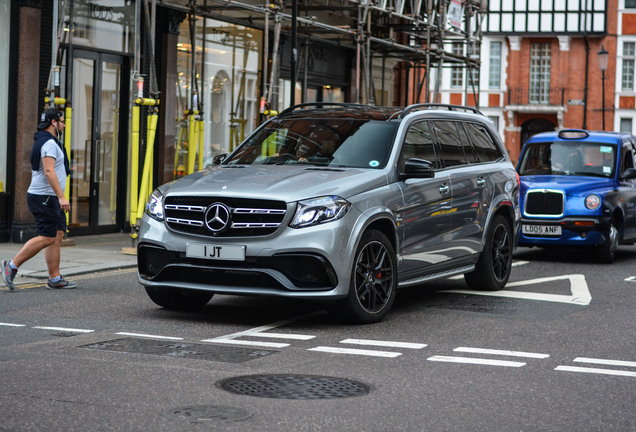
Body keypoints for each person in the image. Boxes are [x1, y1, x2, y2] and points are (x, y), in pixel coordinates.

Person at [1, 109, 76, 290]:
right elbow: (49, 171)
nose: (64, 125)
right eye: (62, 121)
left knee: (57, 235)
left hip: (48, 197)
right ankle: (11, 266)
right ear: (53, 123)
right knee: (47, 237)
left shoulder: (44, 141)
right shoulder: (49, 143)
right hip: (45, 198)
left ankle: (55, 278)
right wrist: (61, 197)